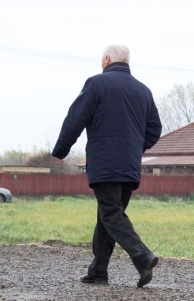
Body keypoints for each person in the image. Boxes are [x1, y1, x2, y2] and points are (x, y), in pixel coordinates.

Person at [52, 44, 163, 288]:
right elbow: (155, 128)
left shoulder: (97, 84)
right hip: (130, 166)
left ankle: (143, 257)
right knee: (108, 215)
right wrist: (135, 148)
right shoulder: (143, 91)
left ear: (107, 59)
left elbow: (75, 119)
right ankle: (98, 271)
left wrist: (61, 150)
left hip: (105, 163)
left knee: (111, 214)